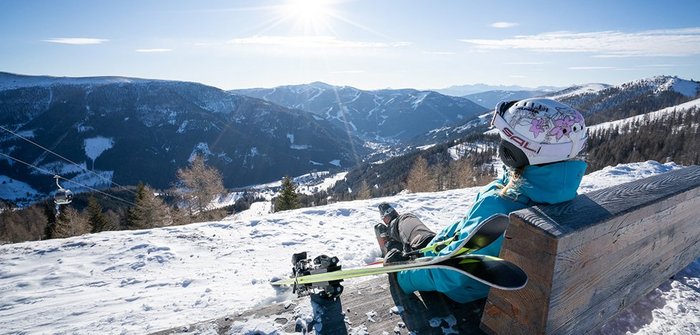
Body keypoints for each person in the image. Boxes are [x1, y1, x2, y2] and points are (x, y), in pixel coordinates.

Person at [382, 98, 588, 304]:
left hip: (463, 290)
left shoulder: (498, 208)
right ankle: (395, 231)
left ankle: (392, 230)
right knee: (419, 235)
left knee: (408, 224)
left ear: (513, 154)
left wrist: (402, 276)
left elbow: (449, 271)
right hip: (490, 280)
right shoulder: (564, 196)